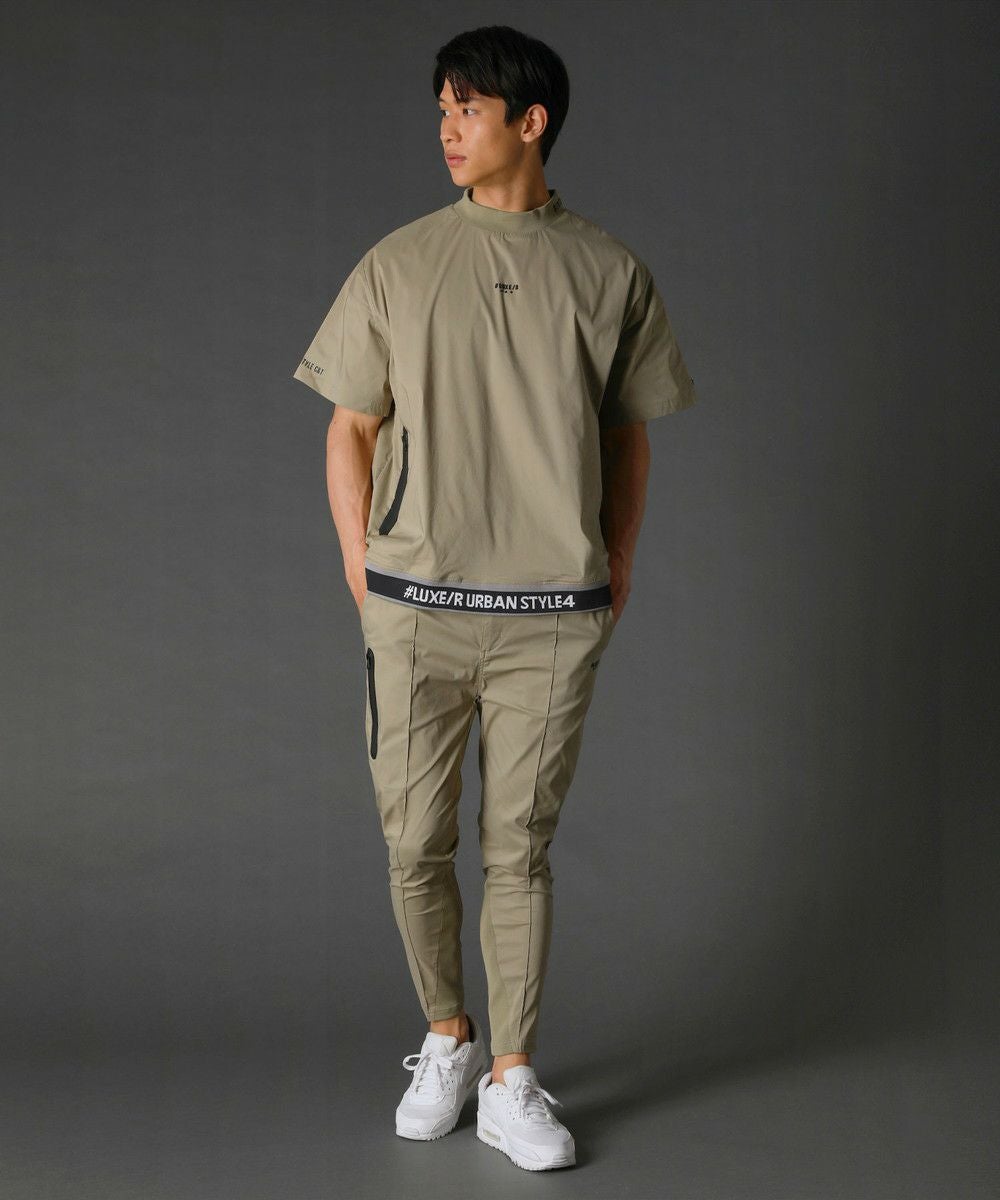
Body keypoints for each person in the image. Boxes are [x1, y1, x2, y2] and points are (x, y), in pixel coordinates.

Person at [291, 23, 698, 1172]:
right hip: (413, 604)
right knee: (413, 839)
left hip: (550, 615)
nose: (447, 129)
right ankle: (447, 1038)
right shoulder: (398, 262)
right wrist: (361, 567)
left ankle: (513, 1076)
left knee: (519, 846)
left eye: (466, 109)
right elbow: (350, 427)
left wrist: (616, 563)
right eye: (441, 110)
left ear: (531, 121)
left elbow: (628, 438)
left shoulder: (609, 272)